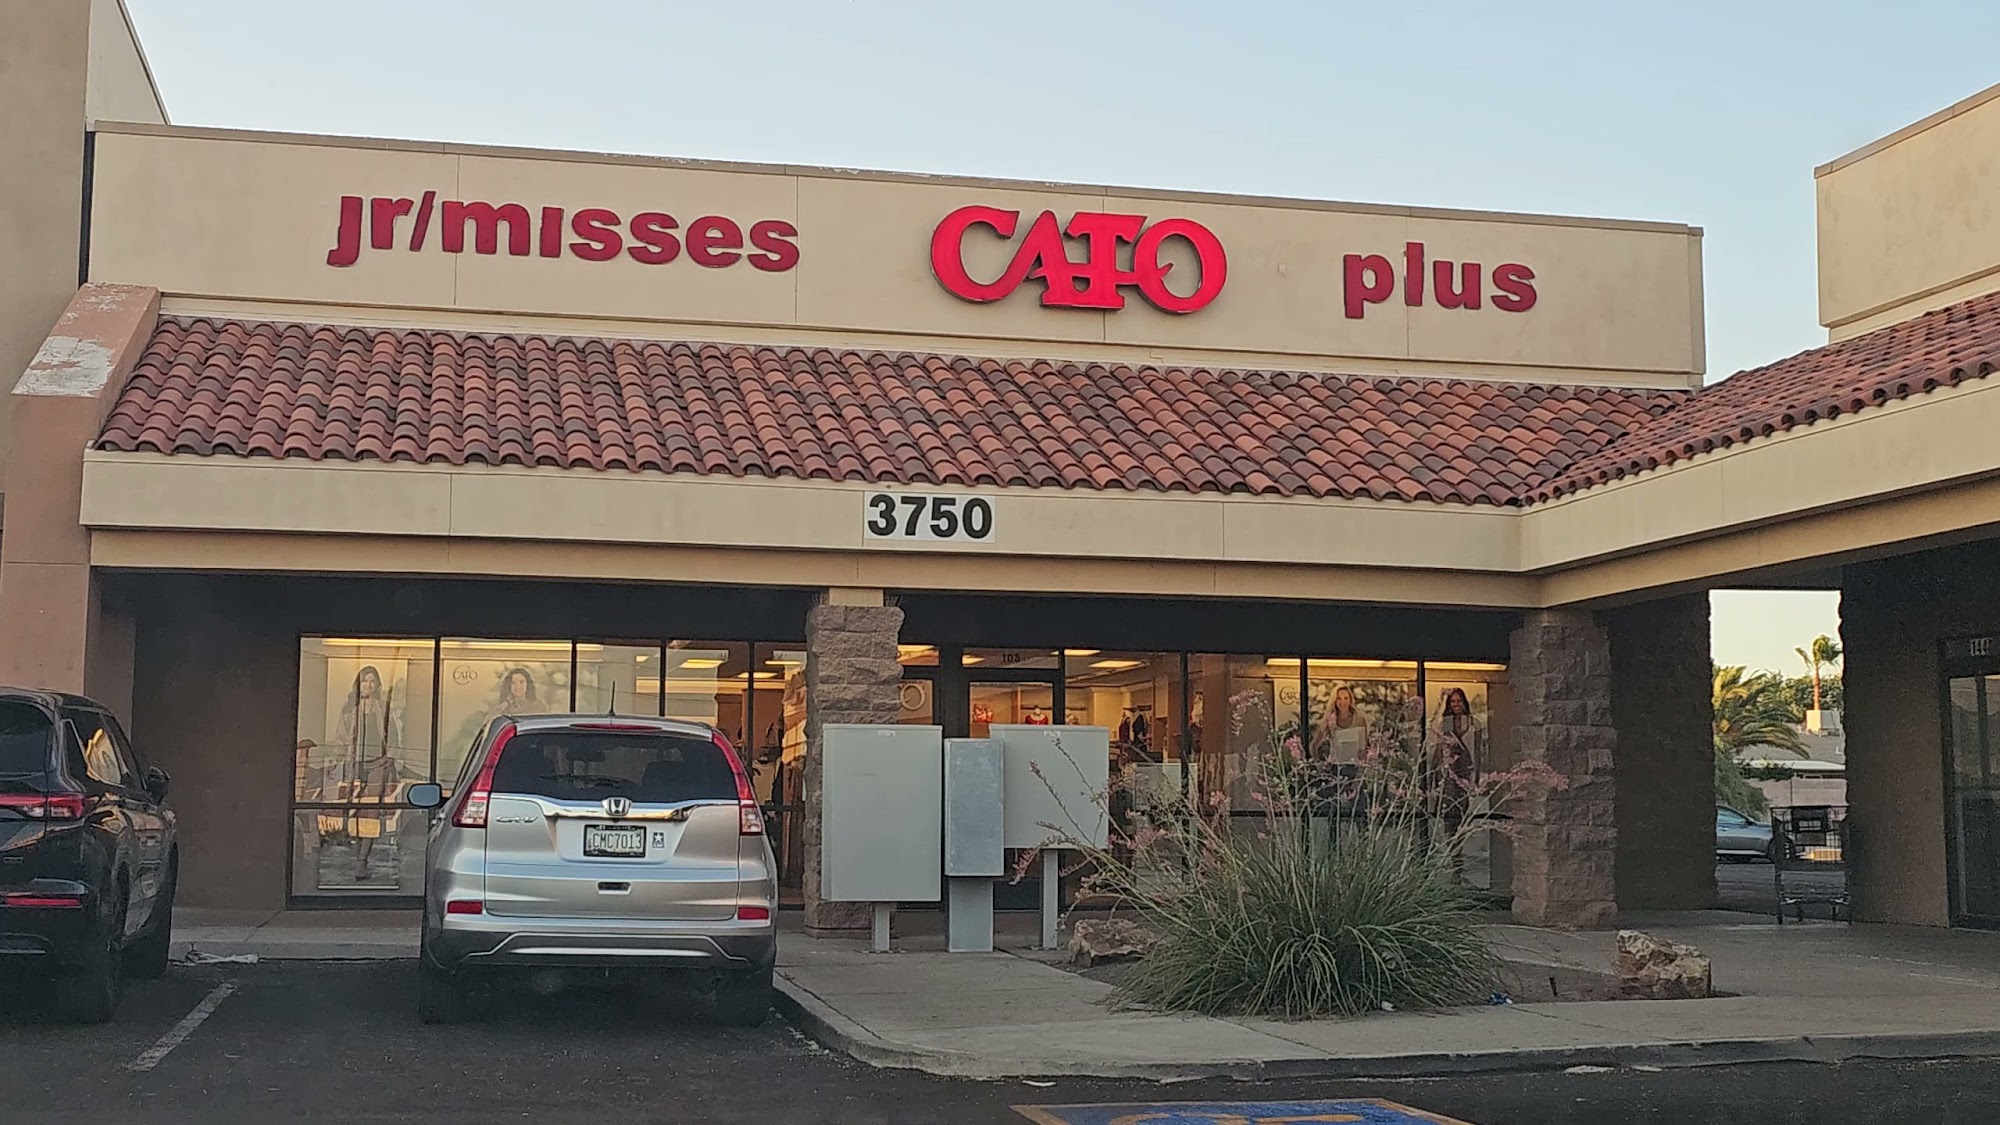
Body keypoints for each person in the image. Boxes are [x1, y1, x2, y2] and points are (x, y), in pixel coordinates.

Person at [333, 666, 404, 882]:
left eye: (372, 681)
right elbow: (340, 739)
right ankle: (356, 854)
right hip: (355, 765)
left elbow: (394, 738)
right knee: (353, 811)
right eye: (365, 681)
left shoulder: (383, 708)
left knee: (370, 813)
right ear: (358, 684)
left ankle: (362, 861)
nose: (368, 685)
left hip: (378, 766)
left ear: (378, 685)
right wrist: (336, 761)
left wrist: (390, 757)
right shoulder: (349, 710)